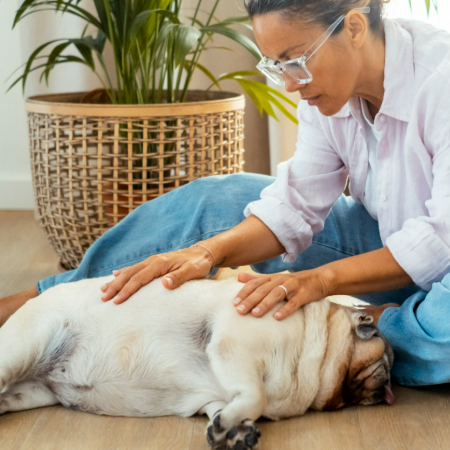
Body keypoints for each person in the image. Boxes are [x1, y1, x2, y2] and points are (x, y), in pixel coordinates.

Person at [2, 0, 450, 386]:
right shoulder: (322, 92)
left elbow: (441, 238)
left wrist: (319, 281)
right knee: (218, 198)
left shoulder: (441, 78)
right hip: (388, 246)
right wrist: (207, 252)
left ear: (353, 26)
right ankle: (37, 305)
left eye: (295, 60)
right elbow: (294, 206)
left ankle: (364, 329)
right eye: (276, 66)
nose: (290, 83)